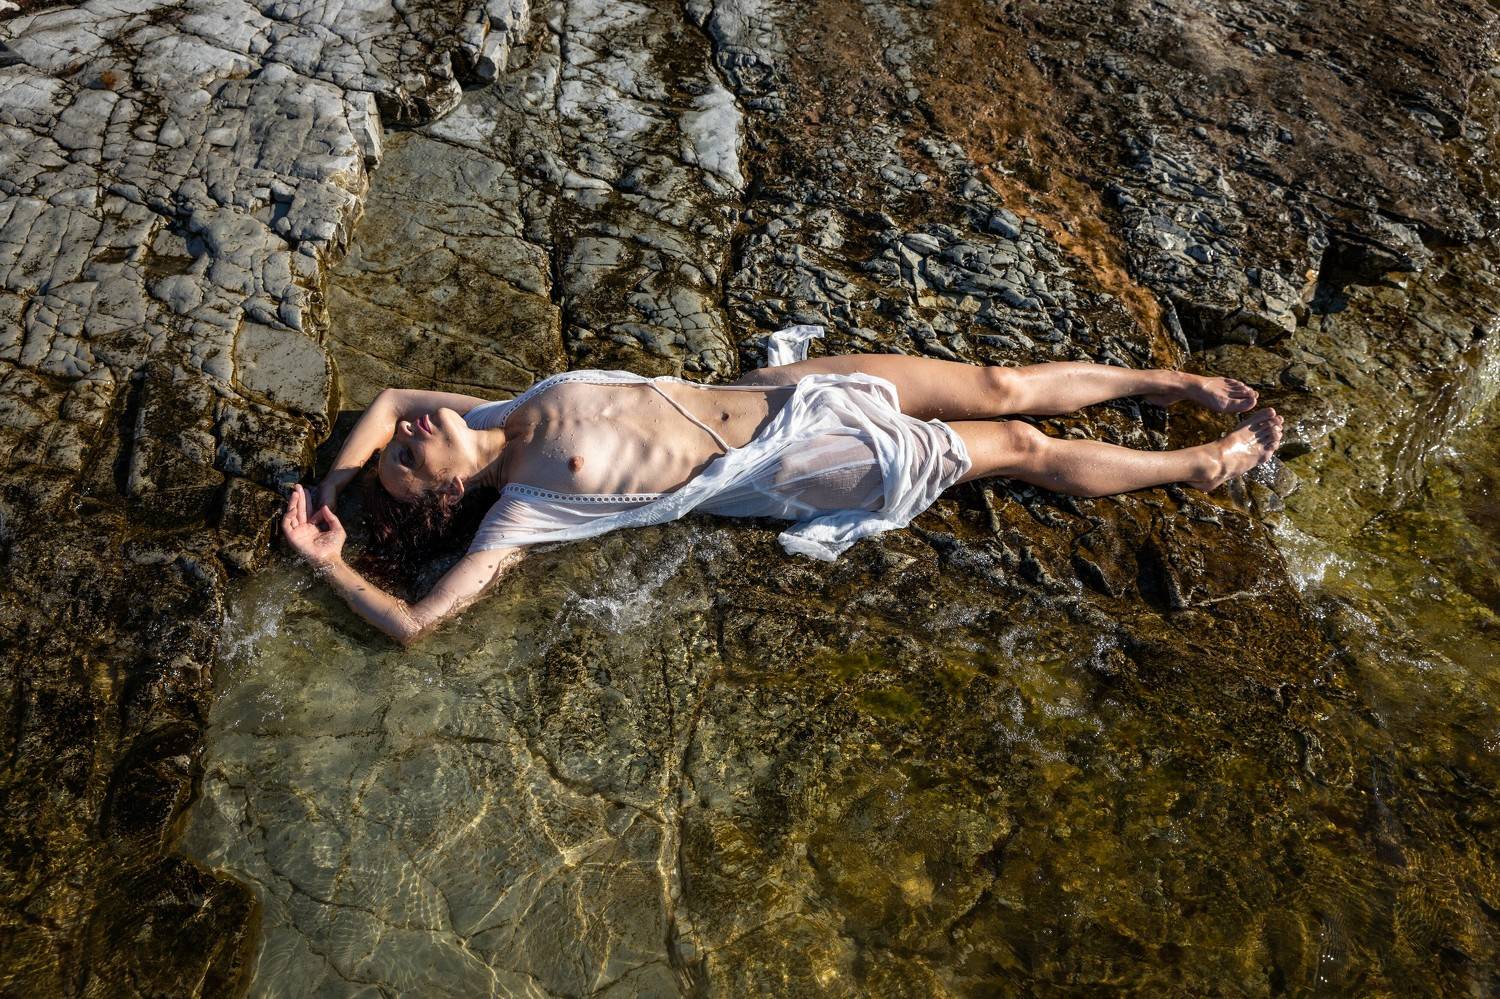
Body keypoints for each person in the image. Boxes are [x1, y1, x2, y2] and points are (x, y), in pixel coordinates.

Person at [282, 326, 1282, 646]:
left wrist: (337, 482)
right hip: (786, 463)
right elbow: (416, 623)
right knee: (1018, 442)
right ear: (446, 497)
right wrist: (330, 564)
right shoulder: (522, 511)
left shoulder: (494, 415)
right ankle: (1201, 465)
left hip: (777, 389)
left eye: (398, 445)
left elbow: (388, 396)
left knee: (998, 383)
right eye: (407, 460)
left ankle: (1166, 382)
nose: (408, 432)